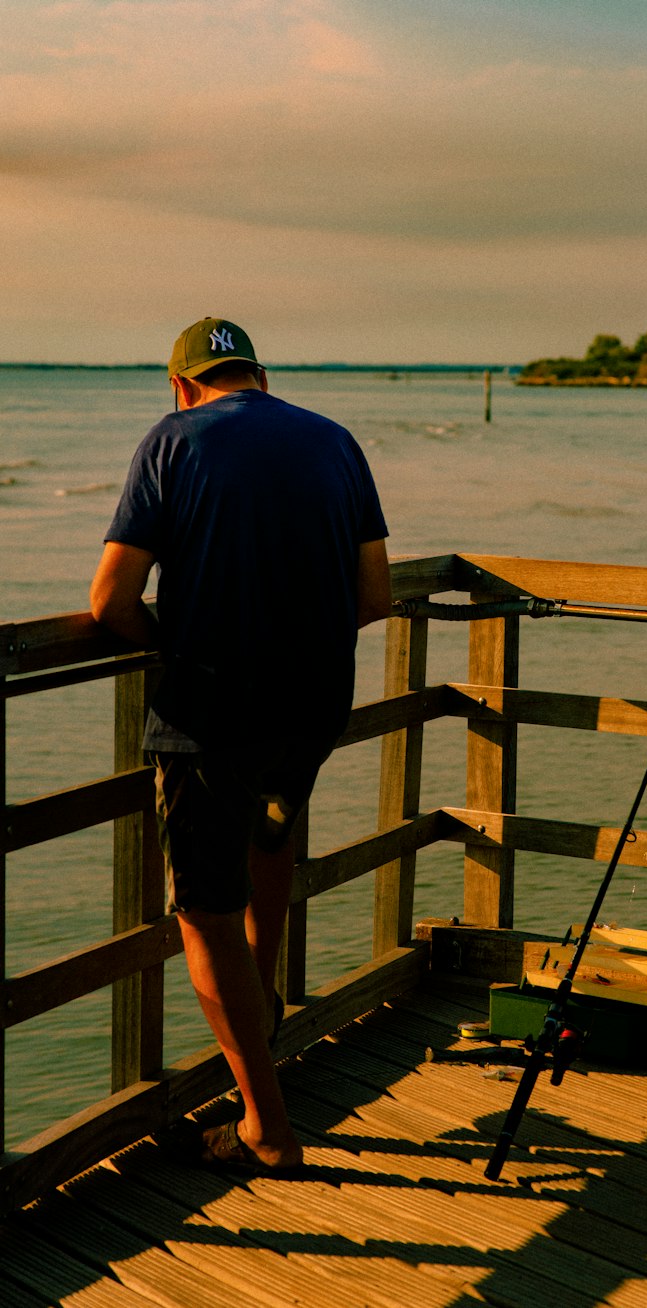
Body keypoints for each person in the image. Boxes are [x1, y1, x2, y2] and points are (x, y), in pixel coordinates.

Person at [90, 317, 391, 1174]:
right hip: (313, 711)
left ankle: (265, 1124)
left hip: (210, 720)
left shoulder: (173, 439)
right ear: (260, 375)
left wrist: (174, 642)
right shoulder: (334, 441)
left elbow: (111, 599)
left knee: (204, 913)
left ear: (183, 384)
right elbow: (373, 597)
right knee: (270, 845)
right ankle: (266, 1026)